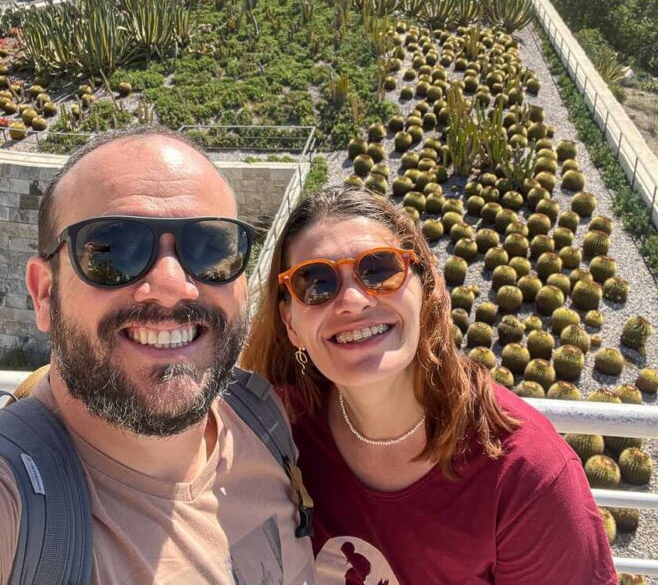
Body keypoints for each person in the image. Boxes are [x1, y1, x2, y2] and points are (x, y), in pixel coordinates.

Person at [0, 127, 316, 585]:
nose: (173, 285)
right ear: (45, 294)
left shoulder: (266, 420)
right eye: (114, 251)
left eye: (212, 249)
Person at [243, 187, 617, 585]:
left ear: (430, 287)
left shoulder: (525, 474)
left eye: (379, 270)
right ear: (290, 324)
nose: (352, 300)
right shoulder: (276, 435)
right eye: (315, 283)